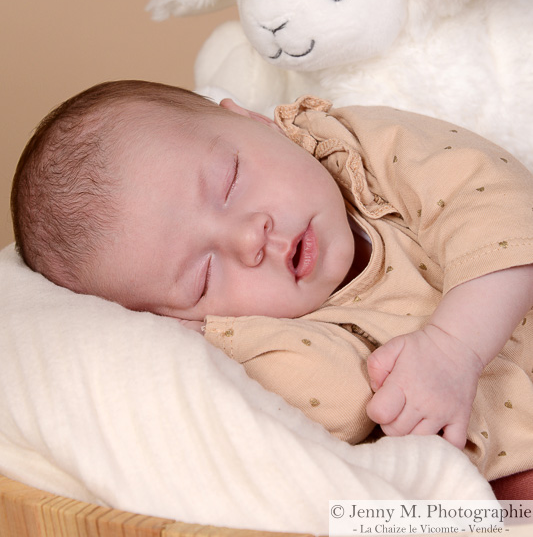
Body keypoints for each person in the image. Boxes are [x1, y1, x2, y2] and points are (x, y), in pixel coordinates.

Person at [11, 80, 533, 485]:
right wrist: (215, 340)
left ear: (253, 120)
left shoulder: (360, 149)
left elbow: (497, 200)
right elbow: (336, 407)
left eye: (230, 181)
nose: (248, 238)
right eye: (203, 276)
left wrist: (453, 346)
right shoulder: (272, 342)